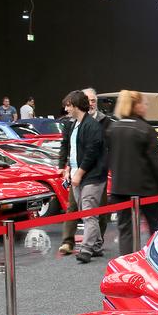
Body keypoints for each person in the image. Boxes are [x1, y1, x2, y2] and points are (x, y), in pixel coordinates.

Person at [107, 90, 158, 256]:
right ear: (136, 106)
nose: (146, 106)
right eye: (144, 103)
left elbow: (111, 158)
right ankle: (155, 262)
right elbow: (157, 164)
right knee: (155, 228)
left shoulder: (113, 128)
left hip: (120, 189)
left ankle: (128, 265)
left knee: (125, 231)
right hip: (146, 189)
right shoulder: (145, 129)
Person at [57, 87, 111, 256]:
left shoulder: (95, 125)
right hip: (78, 174)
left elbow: (92, 151)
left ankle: (87, 248)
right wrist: (67, 167)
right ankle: (92, 245)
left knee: (90, 212)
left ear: (76, 105)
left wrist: (79, 172)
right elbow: (70, 147)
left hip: (92, 175)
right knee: (83, 210)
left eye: (68, 105)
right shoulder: (74, 124)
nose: (66, 109)